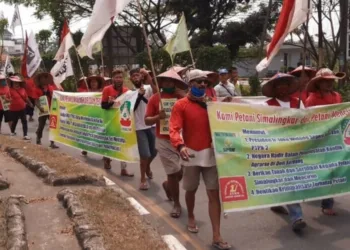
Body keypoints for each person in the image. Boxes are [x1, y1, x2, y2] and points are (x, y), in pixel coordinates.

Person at [169, 69, 231, 250]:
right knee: (191, 189)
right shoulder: (180, 105)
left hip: (211, 156)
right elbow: (174, 129)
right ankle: (190, 216)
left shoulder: (213, 104)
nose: (202, 84)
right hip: (191, 155)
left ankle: (217, 236)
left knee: (213, 194)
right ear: (190, 84)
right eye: (198, 82)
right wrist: (180, 146)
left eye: (205, 82)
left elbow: (224, 124)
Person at [261, 73, 307, 232]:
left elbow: (306, 122)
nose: (282, 87)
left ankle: (277, 201)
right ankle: (296, 217)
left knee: (291, 180)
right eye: (278, 85)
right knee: (288, 181)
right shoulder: (268, 105)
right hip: (278, 149)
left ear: (289, 86)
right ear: (274, 88)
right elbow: (265, 127)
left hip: (296, 148)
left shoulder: (298, 102)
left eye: (285, 84)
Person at [145, 69, 187, 218]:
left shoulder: (182, 98)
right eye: (165, 81)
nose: (168, 83)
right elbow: (147, 120)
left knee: (180, 172)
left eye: (171, 81)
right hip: (163, 140)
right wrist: (158, 117)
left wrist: (185, 97)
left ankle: (168, 185)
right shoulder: (155, 99)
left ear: (176, 83)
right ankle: (176, 204)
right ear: (161, 83)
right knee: (174, 172)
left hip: (182, 139)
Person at [305, 68, 345, 216]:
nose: (329, 83)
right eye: (326, 81)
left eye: (331, 81)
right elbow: (308, 121)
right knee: (322, 172)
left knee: (333, 172)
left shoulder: (337, 96)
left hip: (335, 140)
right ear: (318, 83)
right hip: (319, 141)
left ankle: (327, 203)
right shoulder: (312, 99)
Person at [101, 69, 134, 177]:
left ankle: (123, 169)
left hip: (122, 121)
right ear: (113, 79)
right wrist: (110, 103)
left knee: (122, 144)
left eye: (120, 77)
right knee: (111, 143)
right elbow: (103, 106)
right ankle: (107, 158)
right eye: (116, 77)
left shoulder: (126, 91)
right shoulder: (107, 89)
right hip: (110, 121)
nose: (119, 79)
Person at [130, 68, 158, 190]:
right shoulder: (130, 93)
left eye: (137, 75)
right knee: (144, 154)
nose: (136, 78)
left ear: (141, 77)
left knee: (154, 151)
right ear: (131, 79)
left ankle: (147, 167)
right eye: (133, 76)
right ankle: (142, 179)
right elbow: (132, 109)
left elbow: (157, 93)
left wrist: (149, 77)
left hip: (152, 124)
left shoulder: (148, 88)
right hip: (139, 127)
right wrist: (138, 96)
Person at [79, 75, 105, 156]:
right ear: (89, 83)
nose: (93, 83)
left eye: (95, 82)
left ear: (98, 83)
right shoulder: (85, 92)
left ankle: (105, 153)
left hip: (100, 115)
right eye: (91, 82)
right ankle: (85, 148)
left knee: (102, 134)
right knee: (87, 133)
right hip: (88, 115)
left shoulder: (102, 92)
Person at [33, 72, 59, 149]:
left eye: (45, 77)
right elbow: (36, 100)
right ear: (40, 80)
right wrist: (39, 107)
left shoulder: (51, 87)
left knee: (52, 126)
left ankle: (52, 142)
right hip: (43, 109)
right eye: (42, 78)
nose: (44, 79)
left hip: (51, 109)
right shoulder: (36, 89)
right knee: (41, 125)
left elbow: (56, 95)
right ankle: (38, 139)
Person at [7, 75, 32, 140]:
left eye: (17, 83)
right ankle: (12, 132)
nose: (16, 84)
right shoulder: (9, 91)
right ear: (12, 83)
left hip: (22, 108)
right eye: (15, 83)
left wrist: (30, 104)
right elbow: (6, 99)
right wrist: (9, 100)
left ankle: (25, 135)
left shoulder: (23, 89)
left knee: (24, 121)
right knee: (14, 121)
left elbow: (26, 98)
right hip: (13, 109)